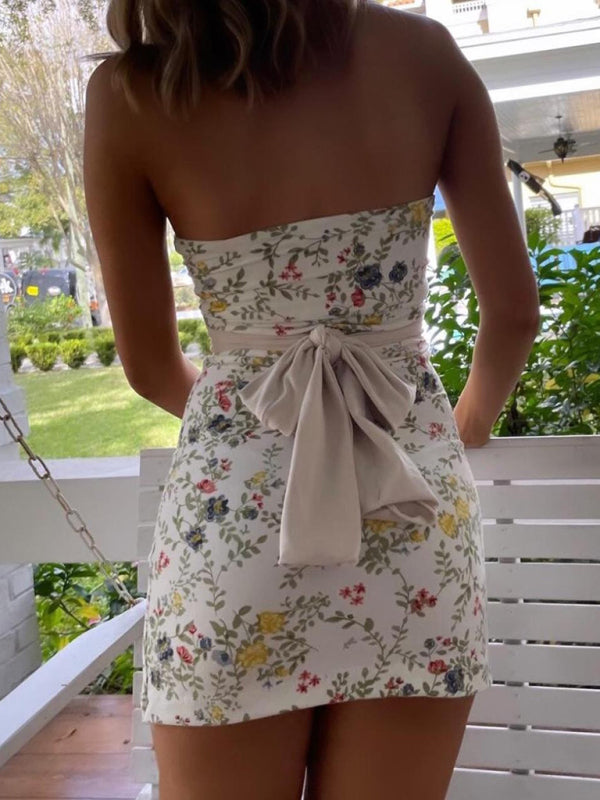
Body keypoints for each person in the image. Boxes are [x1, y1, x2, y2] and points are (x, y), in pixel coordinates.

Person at [82, 1, 540, 798]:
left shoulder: (133, 95)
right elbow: (514, 315)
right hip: (411, 512)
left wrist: (266, 432)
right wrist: (460, 424)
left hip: (235, 537)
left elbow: (149, 365)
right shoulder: (424, 54)